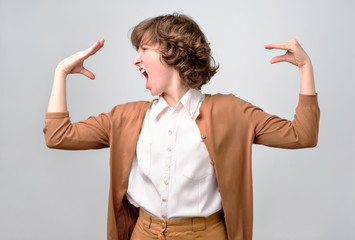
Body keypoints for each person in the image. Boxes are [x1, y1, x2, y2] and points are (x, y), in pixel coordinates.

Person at [44, 13, 320, 240]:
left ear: (172, 51)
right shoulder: (125, 117)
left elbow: (302, 135)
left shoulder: (232, 112)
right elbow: (58, 136)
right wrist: (61, 72)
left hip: (205, 234)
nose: (136, 59)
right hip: (143, 233)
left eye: (144, 49)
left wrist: (305, 67)